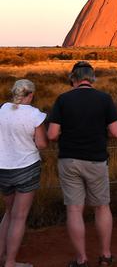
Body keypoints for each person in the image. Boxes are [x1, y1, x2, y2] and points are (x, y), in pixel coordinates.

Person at [47, 62, 117, 267]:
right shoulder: (104, 99)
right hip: (96, 160)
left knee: (74, 210)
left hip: (69, 160)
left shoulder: (63, 99)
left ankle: (81, 260)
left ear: (73, 78)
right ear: (92, 78)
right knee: (102, 207)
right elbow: (115, 132)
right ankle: (105, 256)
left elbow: (52, 134)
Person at [0, 80, 48, 267]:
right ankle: (11, 262)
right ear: (31, 94)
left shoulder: (2, 109)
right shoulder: (34, 115)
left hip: (3, 168)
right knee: (19, 216)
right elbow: (42, 144)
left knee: (9, 213)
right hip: (26, 168)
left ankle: (1, 257)